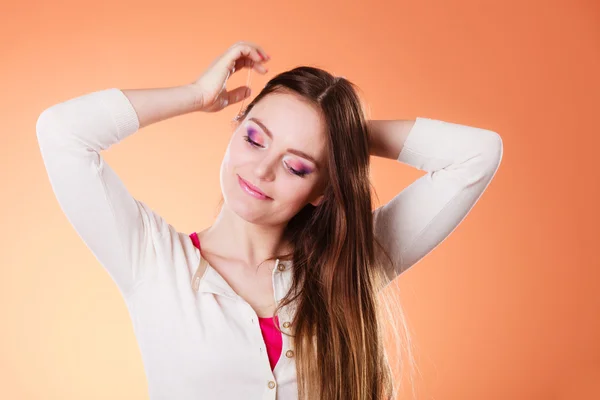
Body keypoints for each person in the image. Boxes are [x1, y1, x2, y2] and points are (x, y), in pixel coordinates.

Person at [36, 40, 503, 400]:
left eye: (297, 165)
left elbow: (477, 155)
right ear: (236, 126)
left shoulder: (348, 266)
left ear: (323, 188)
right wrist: (197, 95)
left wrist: (340, 137)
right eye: (255, 138)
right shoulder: (153, 261)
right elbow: (62, 133)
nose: (262, 170)